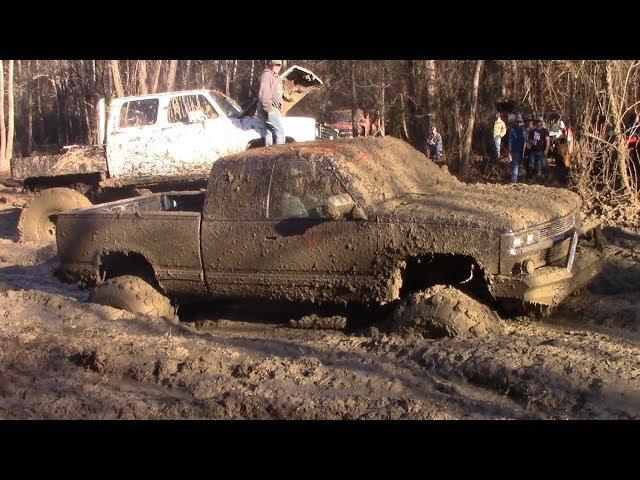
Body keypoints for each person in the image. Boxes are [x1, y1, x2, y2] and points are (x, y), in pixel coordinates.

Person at [257, 60, 285, 146]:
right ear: (270, 65)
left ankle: (268, 155)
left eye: (279, 65)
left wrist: (285, 95)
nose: (277, 67)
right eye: (275, 65)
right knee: (280, 132)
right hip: (270, 107)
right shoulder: (267, 76)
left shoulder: (276, 77)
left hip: (270, 108)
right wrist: (269, 109)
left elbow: (276, 91)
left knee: (269, 132)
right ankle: (279, 156)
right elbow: (263, 94)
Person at [528, 115, 550, 181]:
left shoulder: (545, 131)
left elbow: (547, 141)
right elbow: (529, 140)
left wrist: (546, 150)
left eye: (539, 121)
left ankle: (547, 179)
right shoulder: (532, 131)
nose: (537, 122)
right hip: (533, 150)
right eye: (536, 121)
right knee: (532, 165)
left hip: (542, 150)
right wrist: (531, 142)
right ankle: (533, 178)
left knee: (544, 165)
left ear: (541, 122)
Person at [507, 114, 528, 183]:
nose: (519, 123)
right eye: (518, 122)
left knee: (519, 165)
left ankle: (515, 178)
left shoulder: (524, 130)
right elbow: (510, 140)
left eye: (520, 122)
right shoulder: (512, 130)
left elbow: (526, 140)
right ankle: (513, 180)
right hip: (515, 149)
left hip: (523, 150)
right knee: (516, 165)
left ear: (522, 122)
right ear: (516, 122)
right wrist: (509, 150)